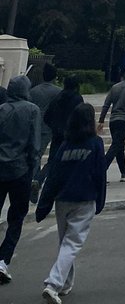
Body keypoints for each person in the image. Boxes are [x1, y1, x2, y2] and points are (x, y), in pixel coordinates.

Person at [35, 102, 106, 304]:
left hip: (63, 200)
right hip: (84, 199)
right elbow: (100, 173)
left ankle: (65, 283)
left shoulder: (66, 145)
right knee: (72, 243)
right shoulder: (95, 143)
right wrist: (100, 200)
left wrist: (44, 204)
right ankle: (54, 283)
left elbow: (54, 175)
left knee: (65, 242)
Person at [0, 75, 41, 286]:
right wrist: (34, 171)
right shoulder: (32, 110)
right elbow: (34, 145)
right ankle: (2, 259)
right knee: (16, 217)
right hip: (21, 170)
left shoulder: (2, 109)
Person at [99, 63, 125, 181]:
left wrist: (101, 119)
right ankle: (101, 170)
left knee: (119, 146)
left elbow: (106, 104)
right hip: (124, 120)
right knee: (116, 145)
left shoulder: (115, 87)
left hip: (113, 120)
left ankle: (124, 171)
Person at [42, 77, 84, 184]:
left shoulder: (58, 97)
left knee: (52, 161)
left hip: (57, 134)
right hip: (71, 135)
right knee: (70, 161)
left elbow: (47, 116)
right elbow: (81, 116)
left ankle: (40, 179)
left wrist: (55, 127)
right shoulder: (77, 99)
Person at [30, 64, 61, 191]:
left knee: (36, 154)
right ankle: (37, 179)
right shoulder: (58, 92)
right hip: (50, 127)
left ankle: (35, 178)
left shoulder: (33, 91)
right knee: (49, 156)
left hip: (35, 125)